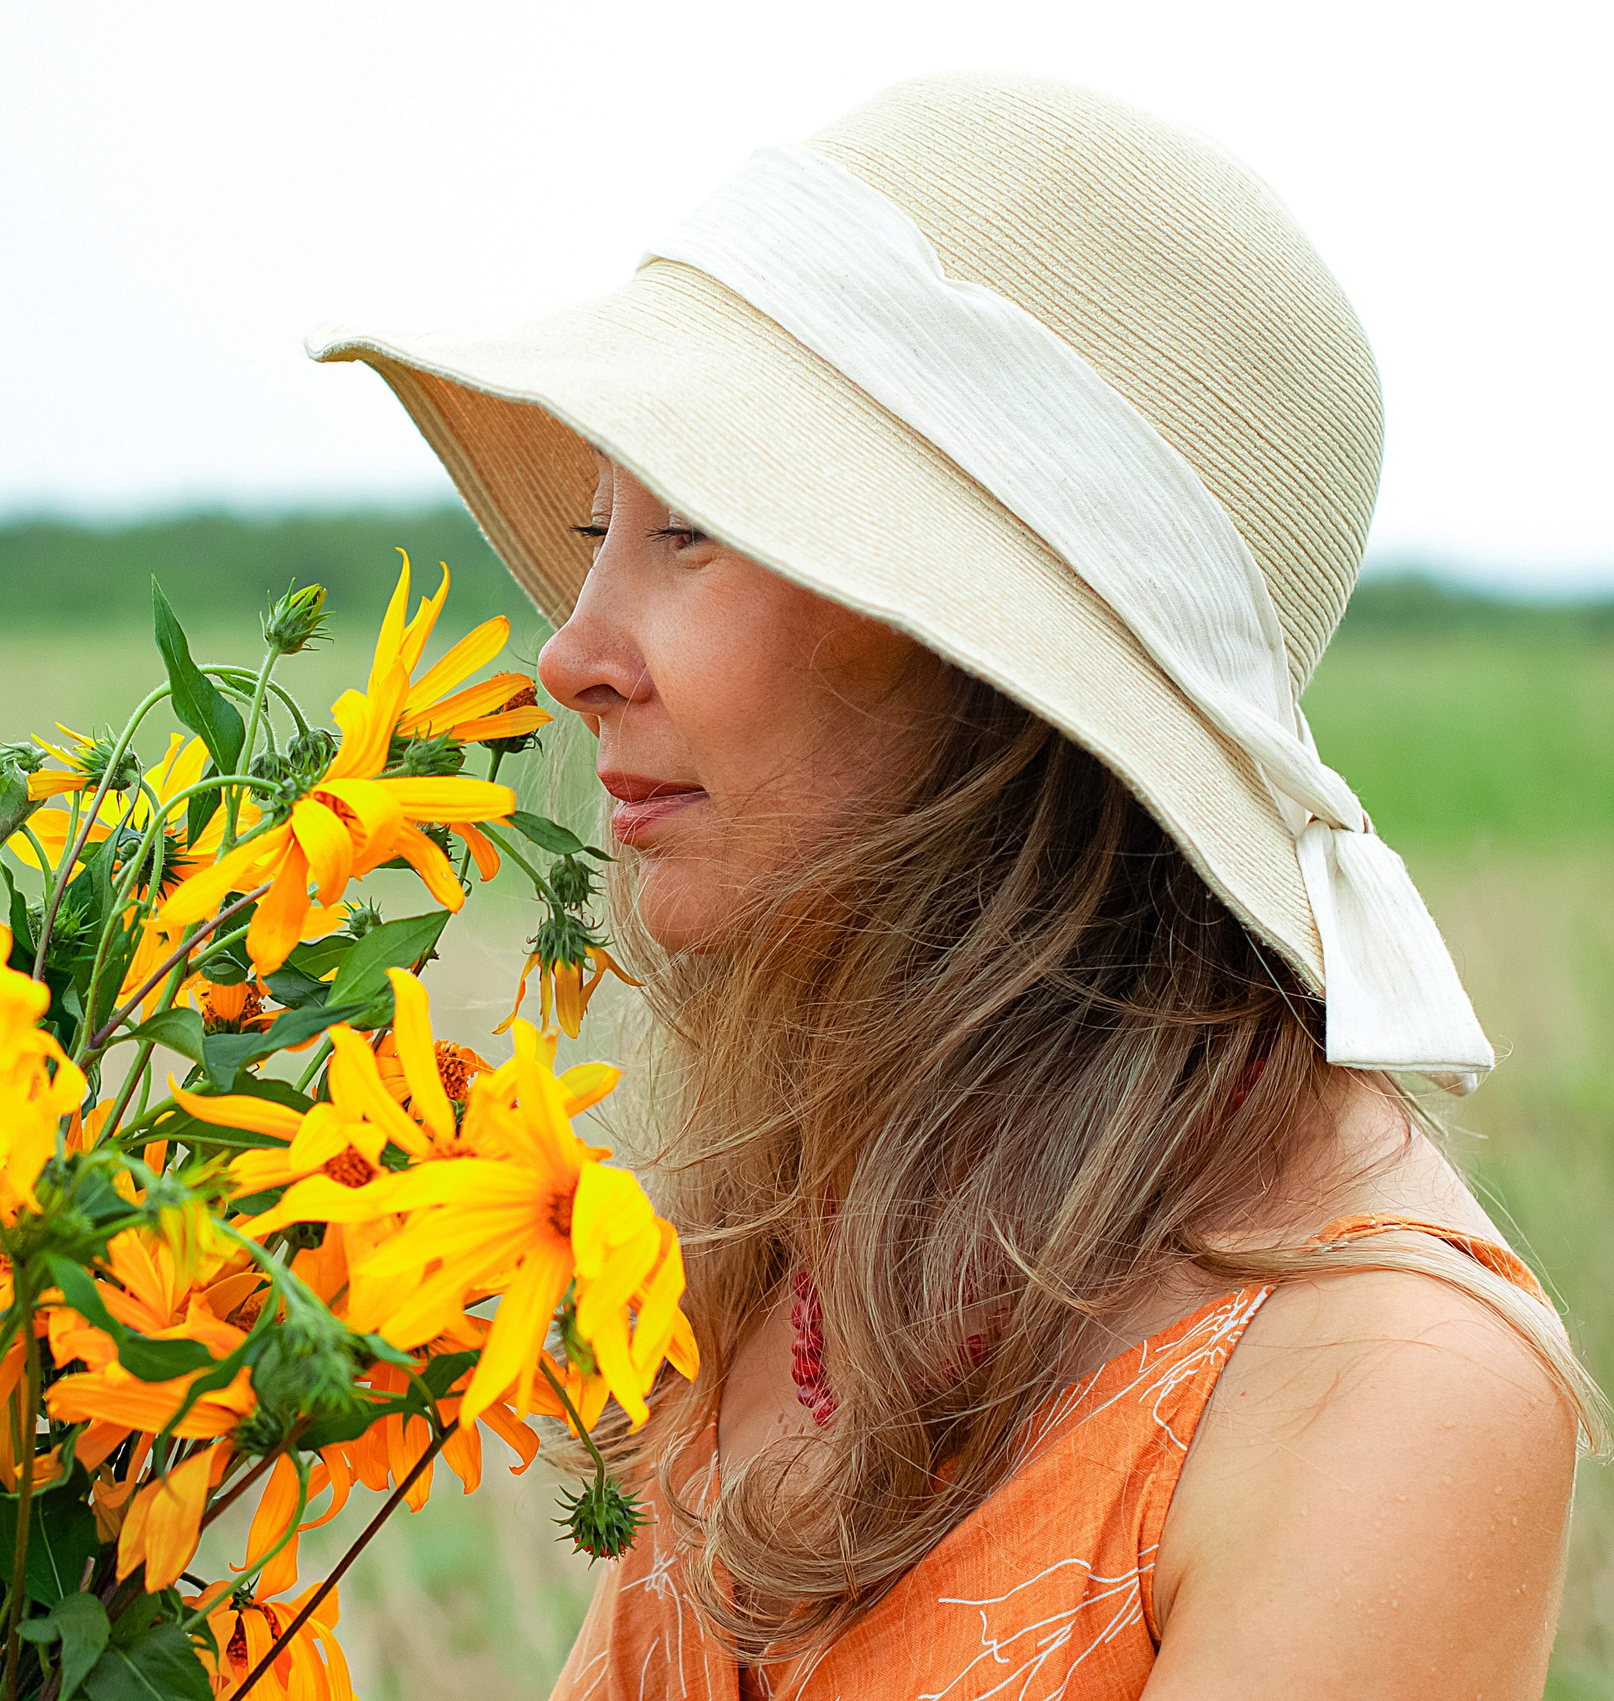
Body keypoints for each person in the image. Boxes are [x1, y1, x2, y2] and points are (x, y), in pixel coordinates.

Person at [305, 71, 1600, 1699]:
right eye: (594, 522)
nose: (572, 655)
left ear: (987, 655)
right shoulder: (820, 1208)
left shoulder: (1384, 1388)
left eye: (694, 526)